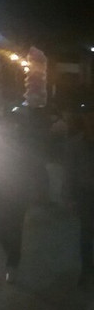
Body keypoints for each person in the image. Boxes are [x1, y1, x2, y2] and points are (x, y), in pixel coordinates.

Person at [0, 109, 48, 282]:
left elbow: (35, 167)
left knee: (14, 228)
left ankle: (13, 263)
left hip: (18, 193)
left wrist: (39, 189)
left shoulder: (23, 143)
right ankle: (12, 256)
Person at [64, 106, 94, 285]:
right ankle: (86, 269)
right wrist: (68, 197)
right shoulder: (75, 144)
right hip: (85, 193)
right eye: (89, 118)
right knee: (86, 232)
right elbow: (70, 172)